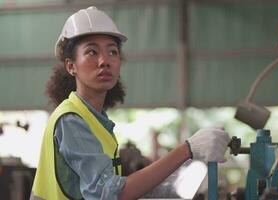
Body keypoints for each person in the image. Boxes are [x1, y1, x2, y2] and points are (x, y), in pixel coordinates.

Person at [31, 6, 230, 200]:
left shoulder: (95, 120)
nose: (104, 61)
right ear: (71, 66)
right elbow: (112, 194)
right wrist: (187, 150)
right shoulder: (71, 120)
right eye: (92, 52)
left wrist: (173, 186)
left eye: (112, 52)